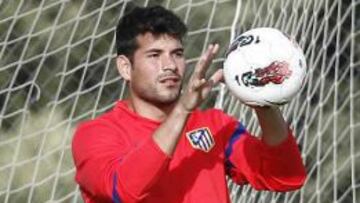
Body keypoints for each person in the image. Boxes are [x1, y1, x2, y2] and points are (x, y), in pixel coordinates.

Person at [72, 5, 306, 203]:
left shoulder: (215, 125)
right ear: (125, 67)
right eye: (154, 55)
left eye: (177, 53)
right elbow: (123, 189)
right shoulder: (95, 134)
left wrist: (263, 99)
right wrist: (183, 109)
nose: (170, 65)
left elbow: (285, 176)